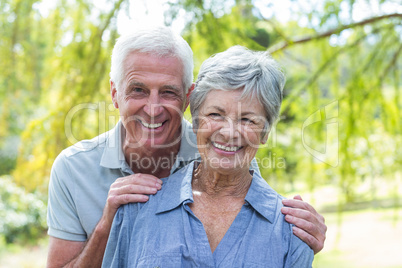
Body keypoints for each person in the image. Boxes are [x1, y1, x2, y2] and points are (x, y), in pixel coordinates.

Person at [46, 27, 326, 267]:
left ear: (188, 99)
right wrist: (108, 223)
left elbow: (252, 206)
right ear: (115, 93)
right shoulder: (75, 169)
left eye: (168, 91)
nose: (153, 108)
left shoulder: (224, 152)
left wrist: (303, 232)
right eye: (138, 89)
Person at [103, 45, 314, 267]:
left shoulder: (293, 230)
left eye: (247, 120)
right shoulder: (136, 210)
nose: (228, 132)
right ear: (195, 123)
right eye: (215, 114)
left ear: (265, 132)